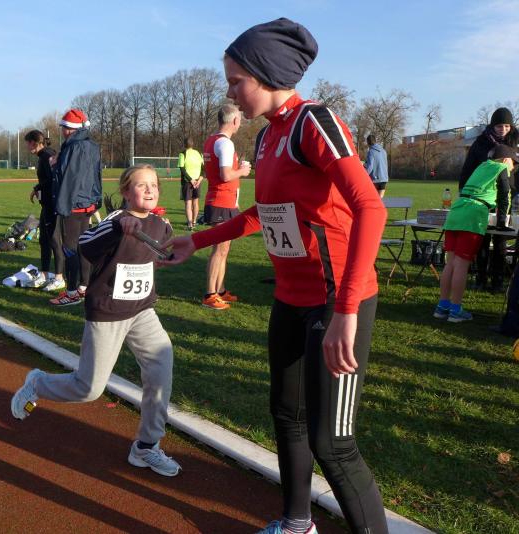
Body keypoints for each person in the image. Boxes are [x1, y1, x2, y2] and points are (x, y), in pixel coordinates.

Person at [164, 18, 388, 534]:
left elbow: (369, 208)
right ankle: (296, 523)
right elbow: (263, 213)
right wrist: (197, 240)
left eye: (236, 80)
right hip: (291, 298)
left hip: (338, 299)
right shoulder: (267, 137)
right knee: (286, 414)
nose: (230, 92)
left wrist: (346, 310)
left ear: (266, 75)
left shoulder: (314, 121)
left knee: (334, 444)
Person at [11, 164, 180, 476]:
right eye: (141, 185)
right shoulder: (115, 221)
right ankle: (38, 383)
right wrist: (118, 228)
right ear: (126, 192)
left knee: (161, 367)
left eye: (154, 185)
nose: (149, 190)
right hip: (108, 313)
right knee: (88, 389)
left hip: (143, 312)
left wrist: (165, 257)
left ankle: (146, 446)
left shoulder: (160, 225)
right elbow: (85, 246)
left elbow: (161, 254)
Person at [434, 145, 516, 323]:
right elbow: (505, 196)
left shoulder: (482, 166)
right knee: (461, 265)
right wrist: (502, 223)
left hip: (456, 211)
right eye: (513, 163)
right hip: (472, 215)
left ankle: (442, 306)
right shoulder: (501, 168)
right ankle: (456, 310)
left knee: (451, 263)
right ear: (505, 159)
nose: (513, 168)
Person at [459, 107, 519, 292]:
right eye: (499, 126)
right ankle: (481, 278)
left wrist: (513, 164)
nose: (503, 130)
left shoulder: (515, 142)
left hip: (506, 196)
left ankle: (498, 280)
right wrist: (463, 192)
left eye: (507, 126)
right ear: (492, 126)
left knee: (501, 239)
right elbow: (468, 168)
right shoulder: (481, 143)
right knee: (482, 237)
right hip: (482, 197)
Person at [48, 109, 102, 306]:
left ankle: (71, 292)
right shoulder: (92, 146)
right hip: (87, 204)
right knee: (83, 246)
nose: (62, 131)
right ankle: (84, 287)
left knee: (69, 248)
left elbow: (68, 178)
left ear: (69, 129)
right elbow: (96, 175)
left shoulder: (73, 147)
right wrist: (96, 200)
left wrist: (54, 166)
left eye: (63, 127)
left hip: (72, 205)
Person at [201, 103, 251, 310]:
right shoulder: (225, 143)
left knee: (224, 249)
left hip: (223, 201)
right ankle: (210, 295)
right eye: (240, 119)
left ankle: (220, 290)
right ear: (235, 120)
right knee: (219, 249)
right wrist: (243, 171)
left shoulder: (211, 140)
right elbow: (225, 175)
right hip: (221, 202)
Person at [25, 129, 65, 292]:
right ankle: (44, 274)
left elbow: (52, 179)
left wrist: (37, 188)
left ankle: (59, 278)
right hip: (46, 205)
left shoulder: (47, 155)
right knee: (44, 240)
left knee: (55, 241)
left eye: (28, 143)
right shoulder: (44, 155)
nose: (27, 147)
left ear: (34, 142)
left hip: (52, 205)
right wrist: (38, 188)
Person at [178, 137, 204, 231]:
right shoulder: (199, 153)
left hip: (187, 182)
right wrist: (199, 179)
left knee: (188, 203)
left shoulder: (182, 154)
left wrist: (190, 180)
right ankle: (194, 222)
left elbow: (182, 168)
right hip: (197, 182)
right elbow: (203, 168)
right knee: (195, 202)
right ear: (193, 144)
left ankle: (190, 224)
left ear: (184, 144)